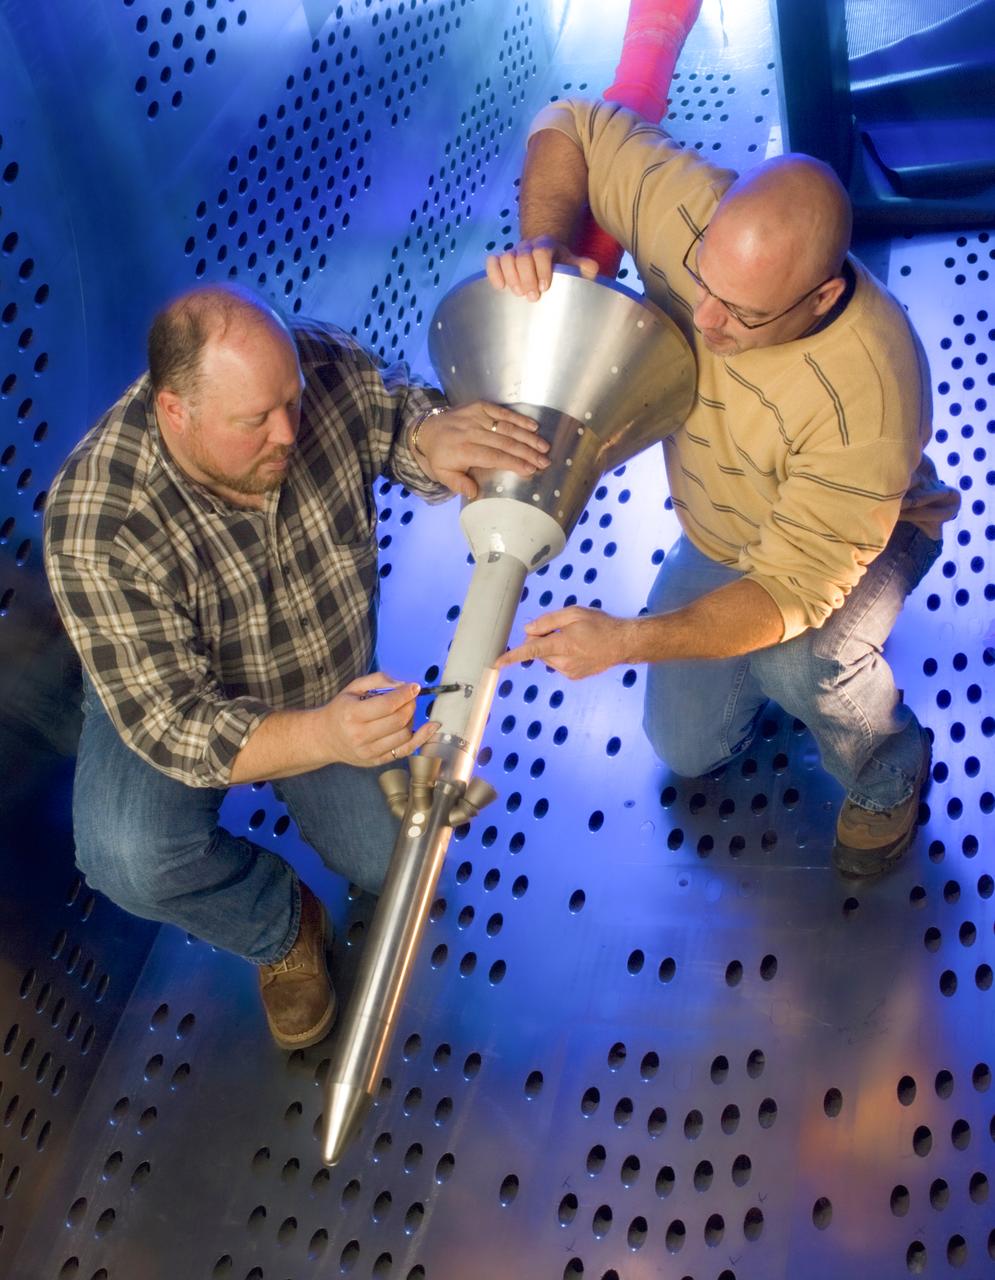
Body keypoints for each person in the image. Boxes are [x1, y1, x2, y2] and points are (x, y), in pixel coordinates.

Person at [43, 283, 548, 1050]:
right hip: (175, 699)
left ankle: (327, 804)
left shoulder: (312, 367)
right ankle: (280, 926)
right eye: (255, 421)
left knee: (397, 863)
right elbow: (181, 730)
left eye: (293, 400)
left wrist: (430, 437)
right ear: (176, 412)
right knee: (128, 854)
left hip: (320, 678)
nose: (289, 430)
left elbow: (395, 418)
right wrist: (325, 738)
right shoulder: (97, 524)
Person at [487, 98, 960, 879]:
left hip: (872, 532)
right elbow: (565, 122)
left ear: (820, 300)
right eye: (702, 281)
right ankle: (790, 681)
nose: (702, 321)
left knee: (796, 660)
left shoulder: (868, 400)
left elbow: (788, 590)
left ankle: (888, 763)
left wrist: (626, 640)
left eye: (741, 315)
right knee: (686, 749)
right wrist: (544, 239)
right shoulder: (691, 208)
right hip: (724, 528)